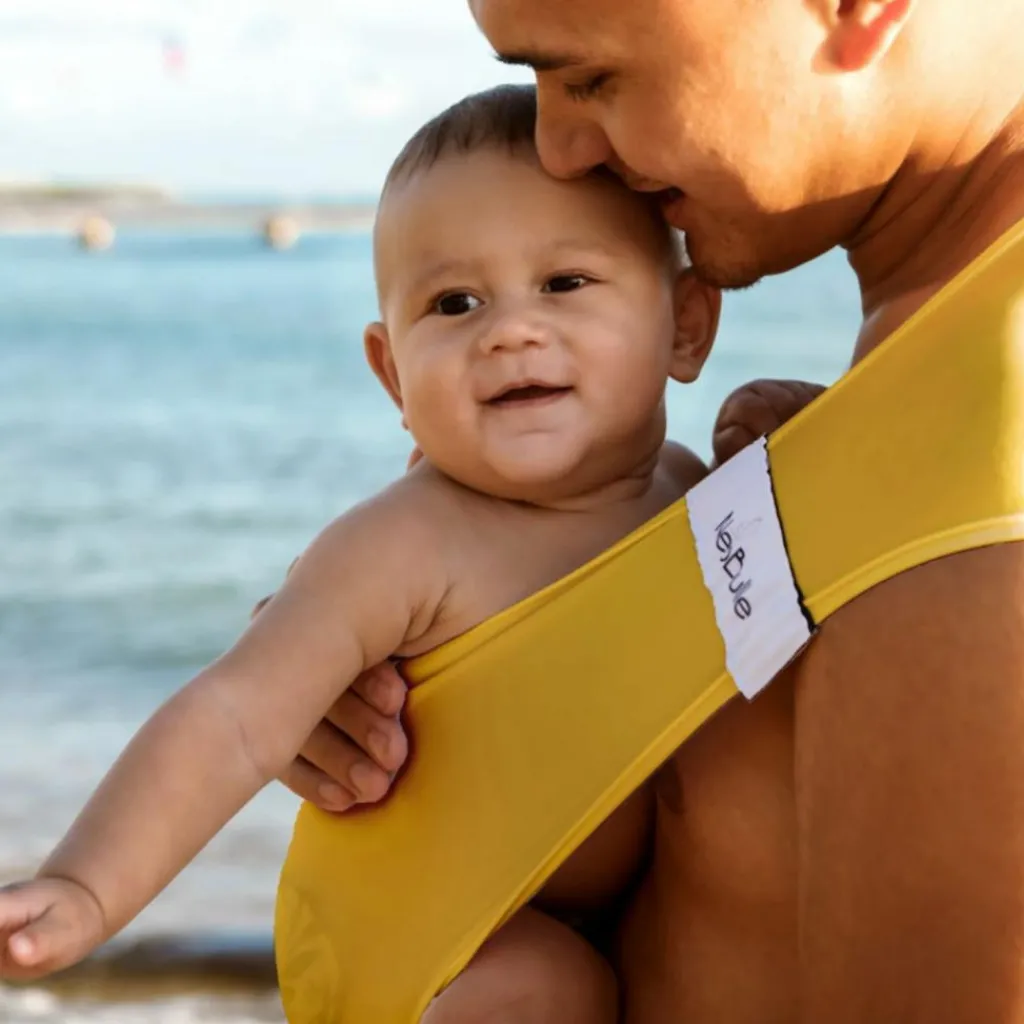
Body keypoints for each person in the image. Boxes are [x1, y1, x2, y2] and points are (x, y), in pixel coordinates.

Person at [0, 86, 816, 1023]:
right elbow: (232, 720)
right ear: (392, 373)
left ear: (685, 327)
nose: (509, 330)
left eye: (565, 284)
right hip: (428, 937)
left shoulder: (706, 502)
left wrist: (811, 438)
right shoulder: (408, 543)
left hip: (596, 915)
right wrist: (85, 888)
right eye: (455, 302)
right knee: (546, 987)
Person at [282, 1, 1024, 1021]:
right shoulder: (936, 393)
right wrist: (335, 648)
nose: (556, 149)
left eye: (589, 80)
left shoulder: (990, 456)